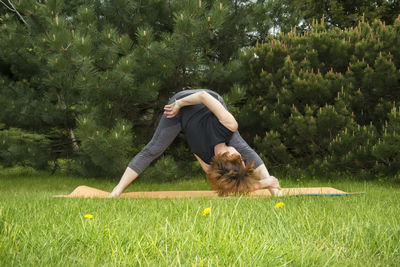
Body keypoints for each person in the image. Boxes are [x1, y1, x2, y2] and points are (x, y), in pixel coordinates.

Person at [109, 89, 282, 197]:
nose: (243, 158)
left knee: (154, 149)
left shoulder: (209, 166)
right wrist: (179, 103)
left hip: (183, 115)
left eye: (241, 160)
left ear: (229, 155)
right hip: (192, 99)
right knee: (153, 149)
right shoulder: (229, 126)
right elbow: (202, 96)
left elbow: (228, 185)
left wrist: (261, 183)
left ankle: (117, 190)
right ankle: (118, 189)